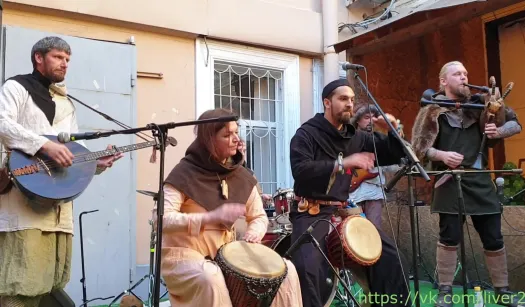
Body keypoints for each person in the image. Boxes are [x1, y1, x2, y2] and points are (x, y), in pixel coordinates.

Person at [0, 36, 123, 307]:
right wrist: (43, 145)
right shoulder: (16, 87)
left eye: (68, 59)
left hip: (57, 208)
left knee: (48, 283)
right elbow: (2, 123)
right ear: (39, 58)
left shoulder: (67, 103)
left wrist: (95, 165)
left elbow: (70, 154)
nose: (64, 64)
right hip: (23, 203)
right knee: (19, 286)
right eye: (58, 57)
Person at [155, 108, 303, 307]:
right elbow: (161, 220)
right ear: (209, 140)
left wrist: (254, 233)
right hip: (183, 255)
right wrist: (209, 218)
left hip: (226, 256)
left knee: (287, 270)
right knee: (211, 277)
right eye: (227, 135)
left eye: (236, 132)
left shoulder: (240, 176)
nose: (236, 139)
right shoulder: (183, 173)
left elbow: (258, 217)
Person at [411, 61, 525, 307]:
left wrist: (498, 132)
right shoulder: (431, 110)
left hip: (479, 179)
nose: (464, 77)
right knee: (449, 237)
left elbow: (514, 124)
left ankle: (503, 292)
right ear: (444, 81)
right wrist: (442, 156)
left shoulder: (480, 106)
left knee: (493, 236)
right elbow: (420, 148)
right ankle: (445, 292)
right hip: (449, 180)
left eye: (466, 73)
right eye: (457, 74)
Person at [289, 78, 410, 307]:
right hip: (311, 212)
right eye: (343, 99)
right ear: (327, 102)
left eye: (352, 100)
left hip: (344, 213)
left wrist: (394, 132)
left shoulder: (356, 137)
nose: (349, 104)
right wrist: (343, 163)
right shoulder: (306, 134)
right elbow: (300, 170)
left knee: (392, 259)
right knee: (308, 269)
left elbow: (392, 154)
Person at [348, 104, 402, 229]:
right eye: (367, 117)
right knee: (354, 229)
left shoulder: (379, 140)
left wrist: (399, 161)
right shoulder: (350, 138)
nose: (371, 121)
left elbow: (390, 165)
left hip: (374, 191)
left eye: (374, 117)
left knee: (374, 230)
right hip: (354, 192)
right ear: (357, 120)